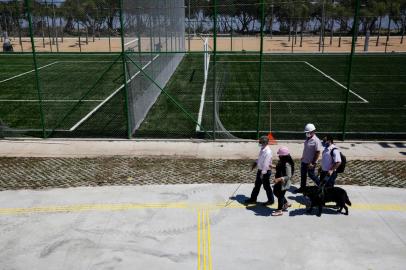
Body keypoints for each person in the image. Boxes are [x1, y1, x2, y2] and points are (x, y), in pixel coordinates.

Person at [245, 135, 274, 206]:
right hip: (260, 171)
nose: (259, 143)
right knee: (257, 185)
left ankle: (271, 201)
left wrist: (262, 174)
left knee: (266, 187)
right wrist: (255, 164)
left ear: (264, 143)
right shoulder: (262, 149)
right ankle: (253, 199)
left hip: (265, 172)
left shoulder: (268, 152)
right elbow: (260, 159)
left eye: (260, 142)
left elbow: (266, 164)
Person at [296, 123, 322, 193]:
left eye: (308, 132)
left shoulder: (316, 141)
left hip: (311, 162)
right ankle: (302, 188)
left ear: (313, 131)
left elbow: (317, 152)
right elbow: (306, 149)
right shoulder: (307, 138)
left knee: (311, 175)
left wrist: (313, 163)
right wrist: (303, 156)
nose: (307, 133)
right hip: (304, 160)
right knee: (303, 175)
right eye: (306, 132)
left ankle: (321, 186)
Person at [271, 146, 295, 216]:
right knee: (275, 192)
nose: (279, 156)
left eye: (280, 155)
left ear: (283, 156)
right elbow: (280, 168)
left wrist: (279, 179)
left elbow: (288, 176)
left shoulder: (287, 164)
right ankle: (286, 203)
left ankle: (279, 210)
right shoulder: (282, 161)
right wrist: (273, 166)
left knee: (280, 195)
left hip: (283, 183)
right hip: (279, 181)